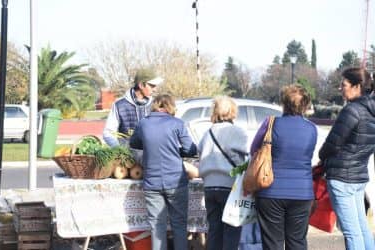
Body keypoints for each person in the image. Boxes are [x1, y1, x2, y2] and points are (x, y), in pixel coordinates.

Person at [252, 84, 317, 250]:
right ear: (305, 104)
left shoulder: (271, 124)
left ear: (283, 103)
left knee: (272, 243)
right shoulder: (311, 129)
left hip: (270, 190)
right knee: (297, 242)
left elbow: (254, 150)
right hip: (302, 192)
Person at [129, 94, 197, 250]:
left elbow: (134, 143)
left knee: (156, 227)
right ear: (170, 106)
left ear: (155, 105)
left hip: (152, 183)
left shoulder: (143, 124)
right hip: (175, 182)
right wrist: (176, 150)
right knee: (179, 225)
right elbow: (190, 149)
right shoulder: (177, 123)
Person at [319, 67, 375, 250]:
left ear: (357, 86)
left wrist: (321, 156)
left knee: (352, 232)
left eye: (343, 85)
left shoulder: (352, 111)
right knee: (362, 228)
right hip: (358, 176)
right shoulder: (370, 111)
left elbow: (332, 144)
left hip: (342, 177)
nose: (340, 89)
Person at [197, 96, 249, 250]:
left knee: (214, 231)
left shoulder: (207, 133)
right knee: (231, 232)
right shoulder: (237, 132)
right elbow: (247, 158)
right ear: (232, 111)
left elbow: (200, 154)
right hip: (230, 187)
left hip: (209, 187)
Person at [103, 67, 163, 146]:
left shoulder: (155, 104)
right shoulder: (119, 105)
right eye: (152, 86)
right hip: (128, 156)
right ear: (141, 85)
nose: (155, 89)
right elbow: (108, 133)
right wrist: (120, 151)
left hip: (151, 156)